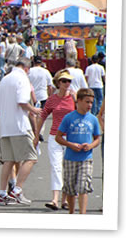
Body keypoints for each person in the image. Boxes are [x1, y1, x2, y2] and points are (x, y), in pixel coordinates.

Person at [0, 57, 42, 206]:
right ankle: (17, 190)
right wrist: (34, 110)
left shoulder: (5, 80)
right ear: (26, 68)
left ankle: (2, 193)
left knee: (9, 160)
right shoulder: (23, 79)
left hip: (5, 127)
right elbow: (22, 101)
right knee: (31, 157)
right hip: (19, 125)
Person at [55, 88, 101, 214]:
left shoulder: (93, 119)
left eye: (91, 102)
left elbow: (97, 138)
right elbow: (58, 137)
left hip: (86, 158)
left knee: (83, 187)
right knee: (70, 189)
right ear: (78, 101)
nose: (89, 105)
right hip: (70, 157)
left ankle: (82, 214)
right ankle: (71, 212)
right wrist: (70, 144)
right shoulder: (69, 118)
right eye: (87, 102)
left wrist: (91, 145)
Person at [35, 69, 76, 211]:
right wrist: (36, 135)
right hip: (55, 136)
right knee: (56, 167)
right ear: (58, 83)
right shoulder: (52, 99)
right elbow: (42, 116)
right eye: (64, 81)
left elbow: (84, 113)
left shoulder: (74, 97)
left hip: (71, 137)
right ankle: (55, 199)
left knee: (69, 168)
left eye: (69, 81)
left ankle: (65, 200)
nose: (67, 83)